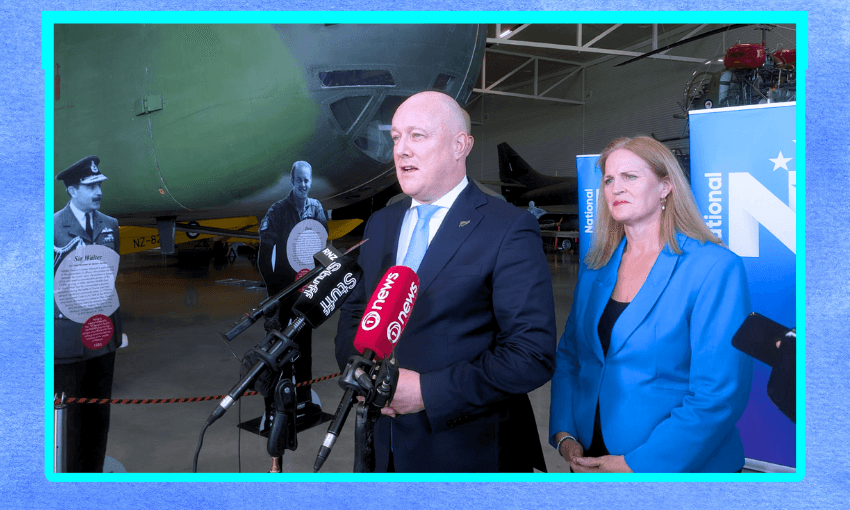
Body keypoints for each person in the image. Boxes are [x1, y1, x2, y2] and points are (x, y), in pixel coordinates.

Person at [334, 91, 557, 473]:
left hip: (466, 450)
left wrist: (426, 393)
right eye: (396, 138)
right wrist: (361, 374)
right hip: (380, 446)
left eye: (417, 136)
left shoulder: (507, 227)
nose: (401, 150)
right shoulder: (382, 223)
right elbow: (356, 312)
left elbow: (530, 354)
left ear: (460, 145)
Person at [549, 136, 753, 473]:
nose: (616, 188)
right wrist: (565, 433)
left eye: (630, 177)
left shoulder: (714, 268)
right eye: (609, 180)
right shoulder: (596, 265)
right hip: (591, 455)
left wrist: (637, 464)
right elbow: (572, 356)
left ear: (665, 187)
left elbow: (718, 394)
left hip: (675, 465)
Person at [54, 156, 122, 472]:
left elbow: (109, 279)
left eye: (100, 185)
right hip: (67, 342)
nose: (98, 192)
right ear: (72, 189)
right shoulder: (53, 227)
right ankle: (67, 479)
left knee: (99, 415)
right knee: (69, 420)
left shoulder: (110, 225)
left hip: (101, 338)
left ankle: (92, 474)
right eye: (90, 185)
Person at [257, 161, 328, 412]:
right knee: (279, 347)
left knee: (305, 346)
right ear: (292, 181)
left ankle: (305, 397)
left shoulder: (316, 208)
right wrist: (275, 292)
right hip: (283, 290)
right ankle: (280, 400)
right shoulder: (277, 211)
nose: (304, 185)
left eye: (307, 180)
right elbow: (264, 254)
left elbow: (323, 247)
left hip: (306, 290)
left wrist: (319, 281)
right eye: (299, 180)